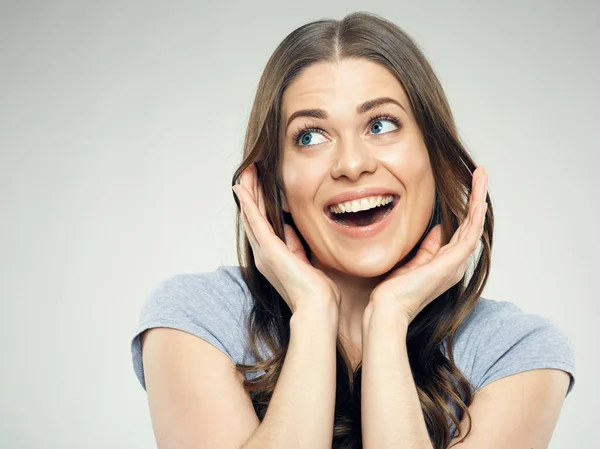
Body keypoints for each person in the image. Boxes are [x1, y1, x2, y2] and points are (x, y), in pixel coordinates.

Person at [130, 11, 575, 449]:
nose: (351, 165)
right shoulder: (198, 318)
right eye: (310, 136)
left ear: (433, 158)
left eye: (381, 125)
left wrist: (389, 317)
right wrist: (313, 309)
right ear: (276, 185)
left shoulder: (515, 351)